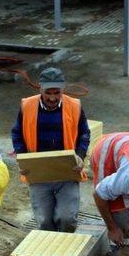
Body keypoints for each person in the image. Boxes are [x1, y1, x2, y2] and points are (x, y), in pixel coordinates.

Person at [12, 67, 90, 233]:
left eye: (57, 93)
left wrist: (80, 155)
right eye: (48, 93)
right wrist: (23, 158)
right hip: (39, 174)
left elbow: (84, 133)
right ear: (40, 88)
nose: (52, 98)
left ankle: (65, 250)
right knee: (44, 222)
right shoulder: (27, 106)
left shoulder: (74, 106)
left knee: (67, 219)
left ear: (62, 90)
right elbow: (17, 133)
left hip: (66, 172)